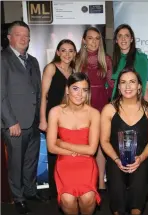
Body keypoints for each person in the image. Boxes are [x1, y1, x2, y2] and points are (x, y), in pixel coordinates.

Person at [1, 21, 44, 214]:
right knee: (16, 163)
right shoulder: (2, 59)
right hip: (15, 124)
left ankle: (30, 191)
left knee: (30, 161)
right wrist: (11, 122)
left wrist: (40, 117)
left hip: (33, 122)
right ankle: (18, 198)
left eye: (26, 35)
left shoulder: (33, 61)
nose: (23, 38)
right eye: (19, 34)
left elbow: (39, 91)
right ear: (9, 37)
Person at [100, 68, 148, 215]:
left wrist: (141, 158)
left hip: (141, 159)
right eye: (123, 82)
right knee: (117, 188)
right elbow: (104, 141)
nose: (128, 86)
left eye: (132, 82)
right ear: (118, 87)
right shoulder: (109, 109)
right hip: (115, 158)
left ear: (139, 86)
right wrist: (117, 159)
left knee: (139, 186)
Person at [47, 72, 101, 215]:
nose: (80, 94)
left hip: (86, 162)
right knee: (67, 199)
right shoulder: (55, 112)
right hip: (64, 161)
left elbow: (91, 150)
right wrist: (72, 152)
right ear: (67, 90)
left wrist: (62, 143)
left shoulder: (94, 113)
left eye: (84, 90)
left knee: (88, 197)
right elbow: (51, 147)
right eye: (75, 88)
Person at [76, 26, 114, 192]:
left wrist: (112, 105)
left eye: (97, 38)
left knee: (99, 145)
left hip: (101, 105)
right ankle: (85, 181)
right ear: (84, 40)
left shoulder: (105, 59)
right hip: (81, 105)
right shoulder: (76, 59)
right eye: (90, 38)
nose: (93, 42)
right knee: (83, 144)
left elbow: (111, 85)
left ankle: (100, 182)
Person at [39, 39, 77, 198]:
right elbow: (43, 96)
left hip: (68, 118)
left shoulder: (74, 71)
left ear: (75, 54)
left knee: (66, 153)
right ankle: (56, 192)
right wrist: (43, 119)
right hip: (52, 117)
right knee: (54, 155)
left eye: (70, 51)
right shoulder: (51, 68)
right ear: (58, 52)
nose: (67, 54)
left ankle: (67, 187)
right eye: (63, 50)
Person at [111, 24, 148, 99]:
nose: (123, 39)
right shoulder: (113, 59)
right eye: (120, 36)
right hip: (115, 103)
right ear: (116, 40)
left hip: (134, 103)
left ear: (131, 39)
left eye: (126, 36)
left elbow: (143, 86)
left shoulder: (141, 58)